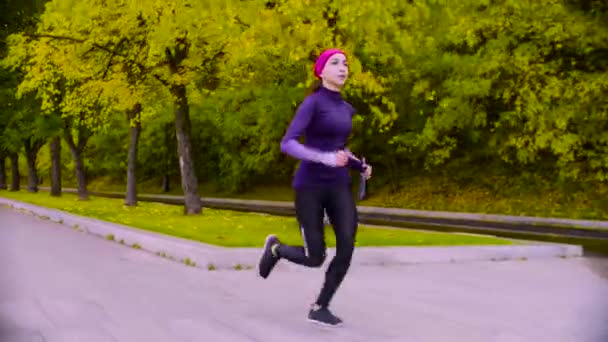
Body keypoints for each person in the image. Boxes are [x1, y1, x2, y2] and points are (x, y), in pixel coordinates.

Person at [257, 48, 372, 326]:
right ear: (321, 71)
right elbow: (289, 143)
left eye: (345, 63)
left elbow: (340, 148)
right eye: (335, 63)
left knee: (347, 246)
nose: (343, 67)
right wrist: (325, 158)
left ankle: (320, 306)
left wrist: (358, 166)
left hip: (339, 186)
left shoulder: (345, 109)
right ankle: (276, 249)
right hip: (309, 186)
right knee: (314, 257)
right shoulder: (312, 103)